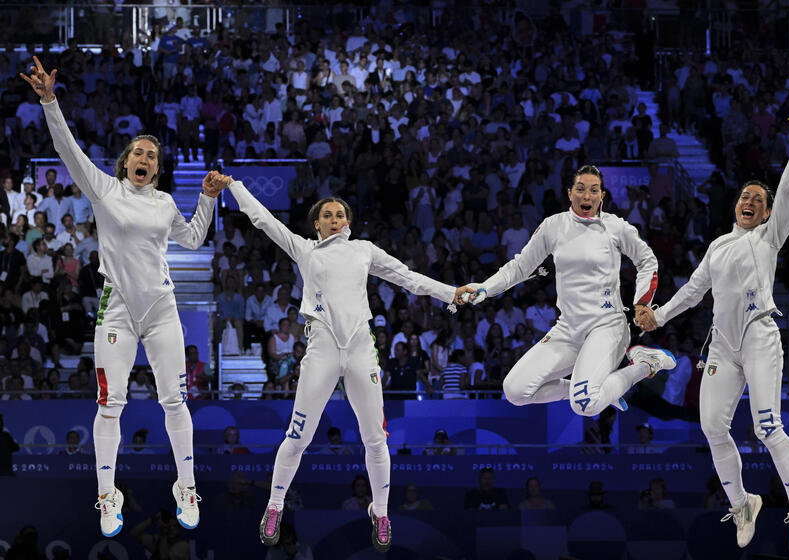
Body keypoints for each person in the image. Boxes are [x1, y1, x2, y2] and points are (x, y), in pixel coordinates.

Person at [211, 172, 473, 551]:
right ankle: (274, 505)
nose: (335, 219)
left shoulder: (363, 249)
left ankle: (380, 512)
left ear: (347, 222)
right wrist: (234, 186)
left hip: (361, 348)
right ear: (316, 224)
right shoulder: (304, 250)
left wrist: (451, 292)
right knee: (298, 436)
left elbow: (408, 278)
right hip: (321, 349)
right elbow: (263, 219)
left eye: (341, 214)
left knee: (376, 438)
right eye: (328, 215)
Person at [22, 56, 222, 537]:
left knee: (175, 402)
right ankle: (107, 498)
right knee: (110, 405)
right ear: (126, 161)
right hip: (116, 311)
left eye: (152, 156)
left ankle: (186, 487)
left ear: (156, 168)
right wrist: (50, 102)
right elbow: (68, 150)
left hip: (161, 309)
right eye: (138, 152)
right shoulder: (104, 190)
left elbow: (193, 240)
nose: (145, 159)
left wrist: (209, 198)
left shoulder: (167, 202)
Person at [636, 112, 789, 553]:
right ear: (736, 203)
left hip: (759, 336)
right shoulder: (718, 246)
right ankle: (743, 503)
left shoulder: (769, 238)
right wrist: (657, 317)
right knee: (712, 427)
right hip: (722, 344)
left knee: (767, 427)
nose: (749, 200)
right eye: (745, 195)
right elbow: (694, 290)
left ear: (767, 211)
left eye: (758, 198)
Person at [462, 164, 673, 418]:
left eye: (594, 190)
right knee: (515, 391)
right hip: (568, 329)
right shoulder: (553, 226)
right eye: (581, 189)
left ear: (602, 196)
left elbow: (647, 261)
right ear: (569, 193)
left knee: (584, 406)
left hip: (607, 327)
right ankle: (601, 391)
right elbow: (519, 267)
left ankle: (646, 363)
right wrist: (484, 288)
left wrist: (641, 303)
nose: (587, 196)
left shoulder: (616, 227)